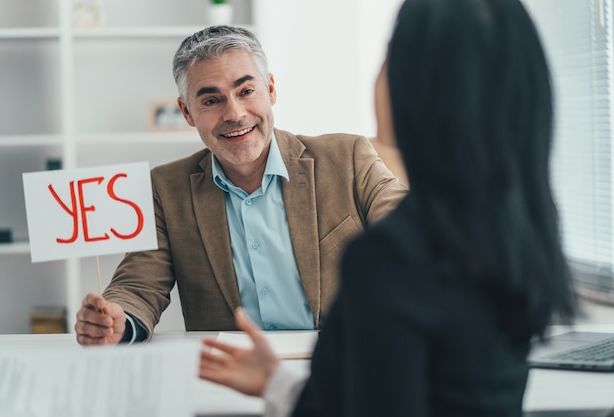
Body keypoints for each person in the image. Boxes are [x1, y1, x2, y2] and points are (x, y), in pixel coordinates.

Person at [198, 0, 578, 416]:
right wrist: (276, 381)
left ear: (425, 88)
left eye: (391, 53)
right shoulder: (513, 236)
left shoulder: (393, 257)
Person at [74, 25, 407, 346]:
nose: (234, 114)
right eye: (211, 101)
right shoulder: (165, 189)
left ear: (271, 89)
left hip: (342, 365)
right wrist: (118, 321)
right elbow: (137, 285)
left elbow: (411, 227)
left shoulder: (347, 158)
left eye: (246, 91)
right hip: (234, 377)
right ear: (187, 112)